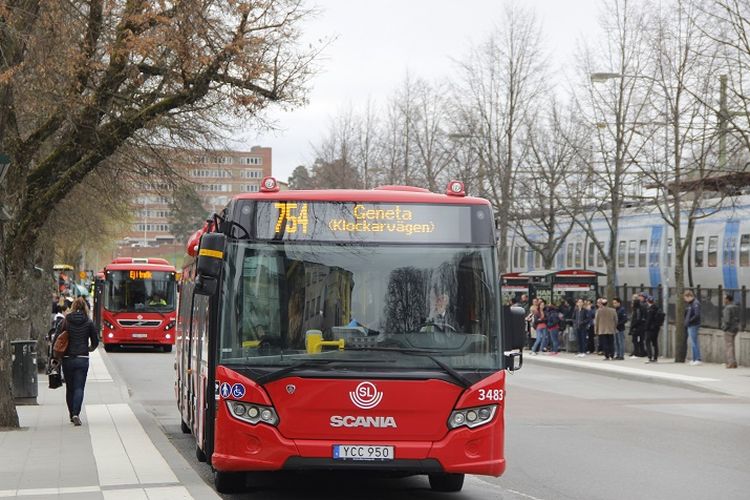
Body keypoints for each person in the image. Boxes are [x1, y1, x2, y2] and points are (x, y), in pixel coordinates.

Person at [60, 297, 99, 426]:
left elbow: (58, 339)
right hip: (82, 358)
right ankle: (76, 413)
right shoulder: (88, 322)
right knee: (79, 387)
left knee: (69, 388)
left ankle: (71, 414)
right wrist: (89, 349)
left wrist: (55, 357)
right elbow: (95, 341)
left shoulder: (66, 321)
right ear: (85, 308)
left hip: (67, 358)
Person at [683, 290, 702, 365]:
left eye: (685, 298)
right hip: (690, 324)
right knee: (692, 342)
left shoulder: (695, 303)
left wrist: (689, 321)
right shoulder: (691, 303)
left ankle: (697, 359)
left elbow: (697, 315)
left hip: (693, 324)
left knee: (694, 342)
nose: (685, 300)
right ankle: (694, 359)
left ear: (689, 296)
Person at [643, 296, 664, 363]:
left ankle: (649, 357)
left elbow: (648, 320)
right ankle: (655, 357)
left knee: (647, 342)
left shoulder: (650, 309)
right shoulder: (657, 308)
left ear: (647, 301)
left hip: (650, 328)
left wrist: (645, 328)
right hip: (656, 328)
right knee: (655, 343)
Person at [721, 294, 740, 368]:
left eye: (724, 299)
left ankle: (731, 362)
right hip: (735, 328)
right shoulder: (736, 307)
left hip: (729, 329)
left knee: (729, 346)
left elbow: (727, 320)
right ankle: (734, 362)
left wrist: (724, 328)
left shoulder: (727, 308)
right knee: (732, 345)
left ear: (727, 300)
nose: (723, 300)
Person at [629, 293, 647, 357]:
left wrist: (633, 326)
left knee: (637, 340)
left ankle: (638, 352)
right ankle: (640, 351)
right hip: (639, 326)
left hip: (638, 327)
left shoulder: (638, 309)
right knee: (639, 340)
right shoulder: (638, 308)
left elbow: (637, 319)